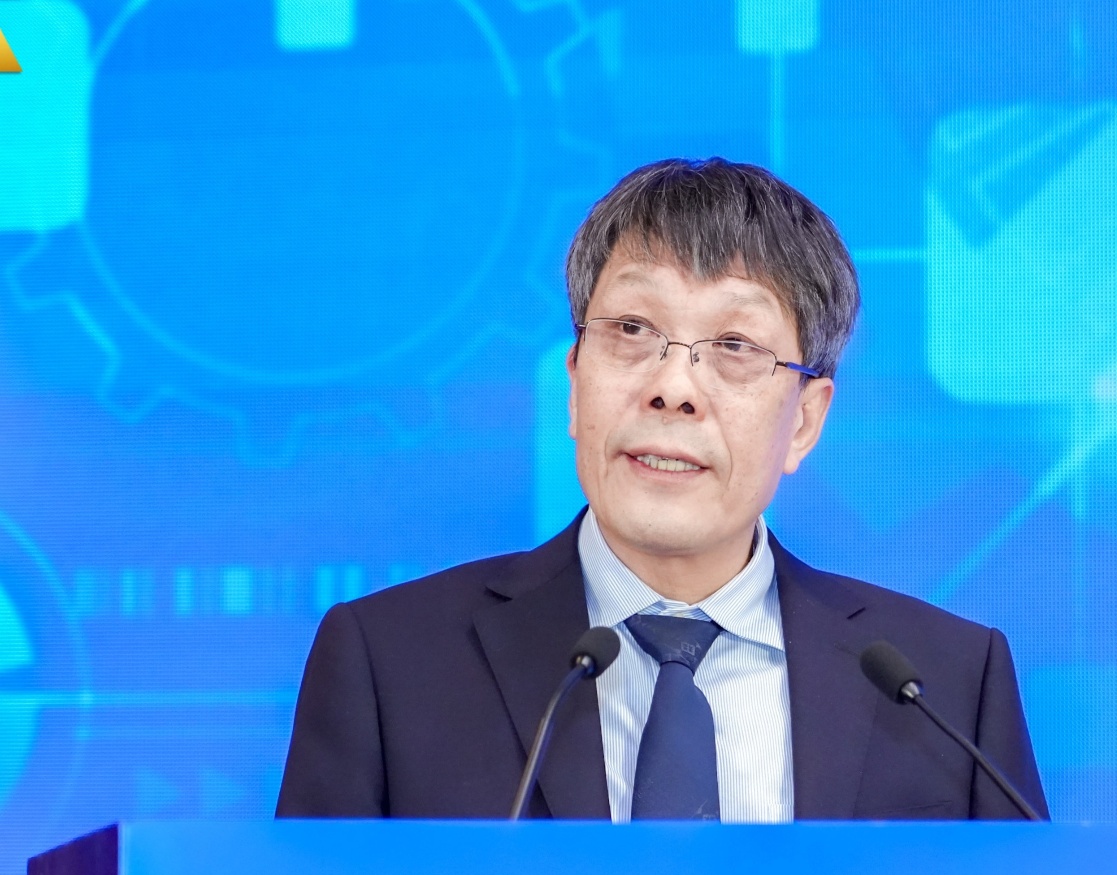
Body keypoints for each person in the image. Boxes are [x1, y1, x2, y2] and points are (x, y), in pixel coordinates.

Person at [277, 158, 1047, 822]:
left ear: (806, 421)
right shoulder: (390, 665)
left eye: (735, 344)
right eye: (632, 330)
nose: (673, 387)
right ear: (575, 382)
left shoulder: (943, 684)